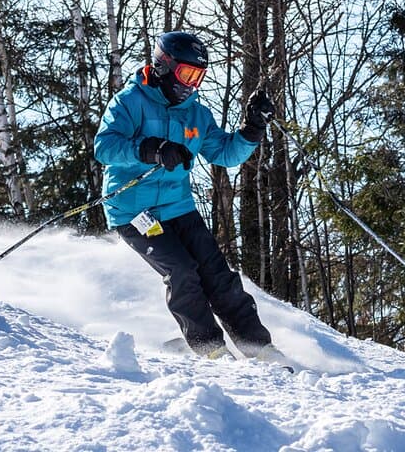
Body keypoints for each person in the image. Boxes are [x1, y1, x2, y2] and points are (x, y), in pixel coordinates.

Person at [93, 31, 279, 361]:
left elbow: (225, 154)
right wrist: (150, 150)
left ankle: (257, 346)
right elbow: (104, 147)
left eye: (198, 77)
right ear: (164, 66)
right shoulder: (130, 102)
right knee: (181, 272)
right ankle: (210, 348)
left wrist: (252, 129)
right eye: (186, 74)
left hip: (179, 208)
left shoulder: (197, 115)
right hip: (135, 211)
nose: (191, 85)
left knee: (218, 275)